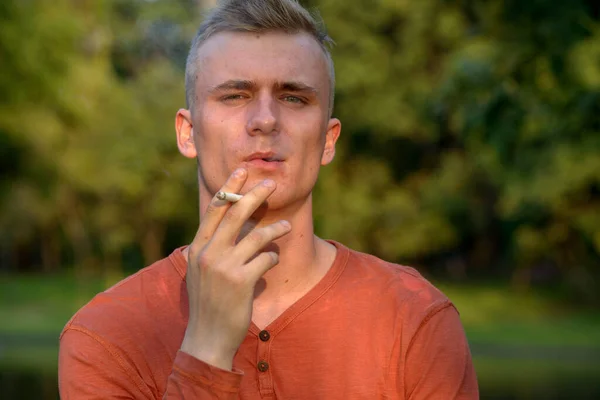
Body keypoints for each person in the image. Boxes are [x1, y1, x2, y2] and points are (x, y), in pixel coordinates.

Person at [58, 0, 479, 398]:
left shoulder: (413, 319)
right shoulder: (107, 335)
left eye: (293, 97)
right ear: (187, 133)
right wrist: (207, 349)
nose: (264, 120)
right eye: (234, 95)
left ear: (328, 141)